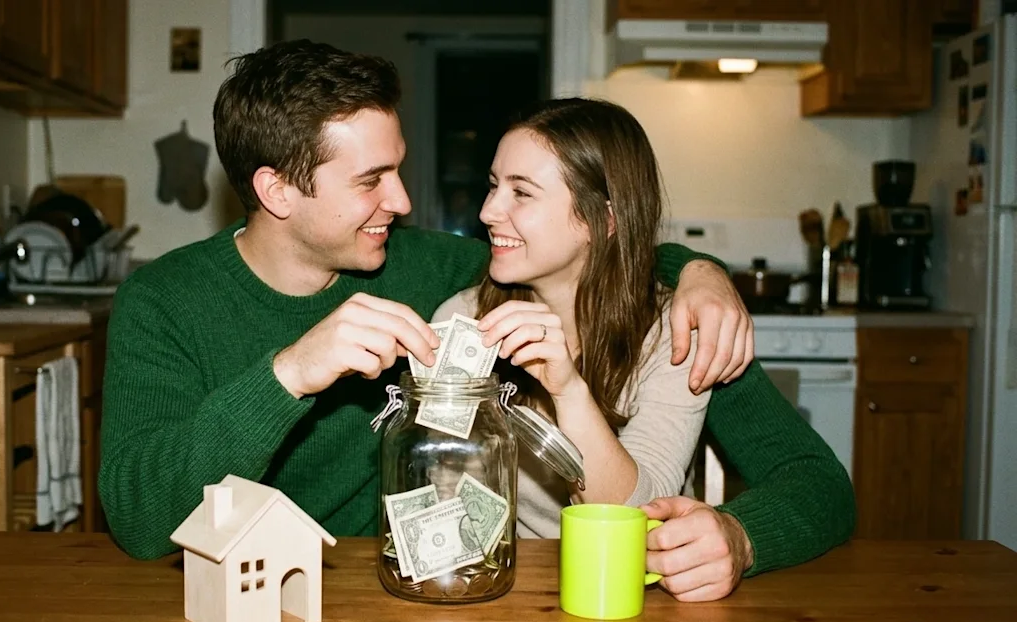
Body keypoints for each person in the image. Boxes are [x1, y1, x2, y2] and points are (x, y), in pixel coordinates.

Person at [98, 40, 755, 566]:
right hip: (232, 596)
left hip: (380, 585)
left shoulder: (419, 265)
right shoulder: (162, 301)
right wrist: (289, 373)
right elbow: (139, 523)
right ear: (277, 191)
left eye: (398, 168)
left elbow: (575, 255)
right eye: (371, 180)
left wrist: (702, 271)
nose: (404, 202)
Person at [436, 98, 855, 602]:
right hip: (511, 593)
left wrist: (568, 391)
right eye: (493, 185)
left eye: (522, 192)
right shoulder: (461, 322)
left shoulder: (677, 332)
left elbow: (632, 524)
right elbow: (442, 502)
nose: (487, 212)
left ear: (601, 220)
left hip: (639, 600)